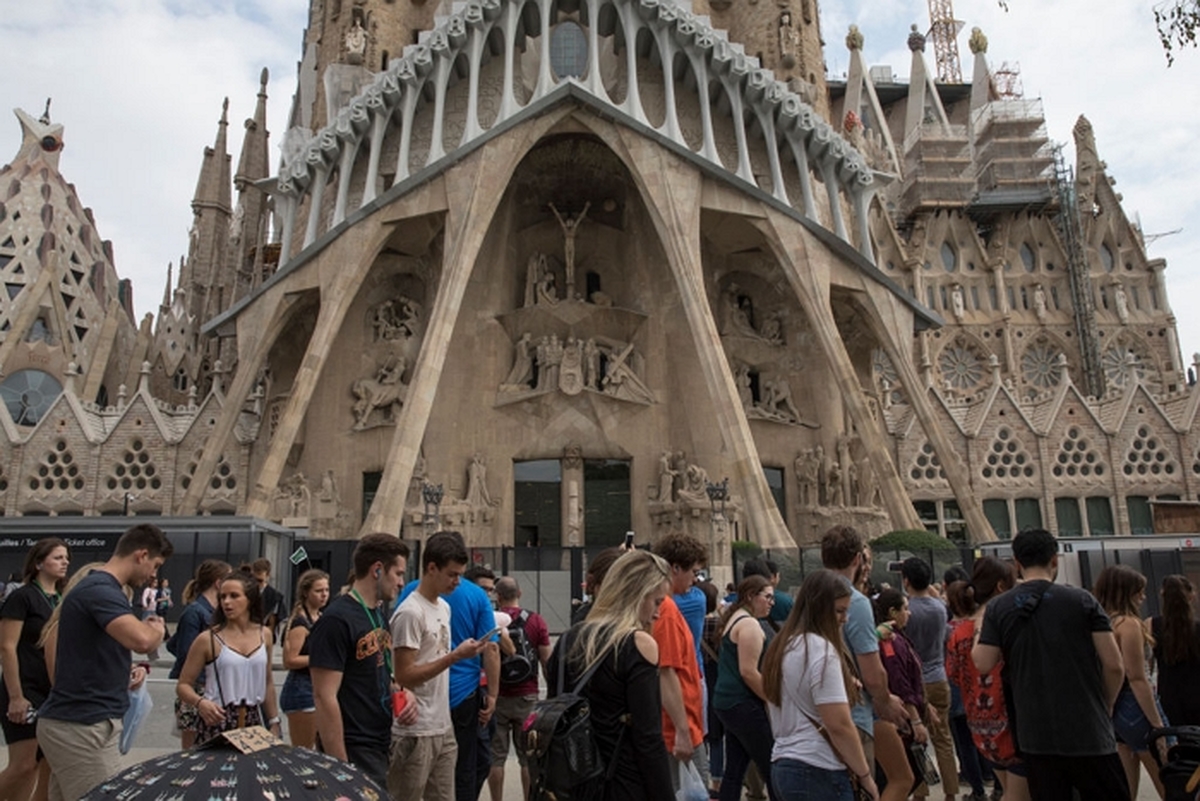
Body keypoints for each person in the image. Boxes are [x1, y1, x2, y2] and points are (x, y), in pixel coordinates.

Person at [973, 528, 1127, 801]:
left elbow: (983, 662)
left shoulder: (999, 608)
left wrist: (978, 629)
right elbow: (1114, 664)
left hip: (1035, 734)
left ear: (1017, 563)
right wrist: (1106, 703)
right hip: (1089, 731)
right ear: (1054, 560)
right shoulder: (1082, 600)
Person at [36, 523, 172, 801]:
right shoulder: (100, 590)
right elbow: (142, 640)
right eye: (155, 565)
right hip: (83, 727)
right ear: (141, 555)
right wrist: (157, 630)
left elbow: (95, 655)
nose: (153, 575)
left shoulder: (103, 590)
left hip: (81, 722)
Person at [546, 549, 674, 800]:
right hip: (620, 780)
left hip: (571, 781)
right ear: (636, 594)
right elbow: (648, 739)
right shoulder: (637, 644)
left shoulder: (568, 639)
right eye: (657, 601)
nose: (659, 612)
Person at [397, 531, 499, 801]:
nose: (458, 582)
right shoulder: (410, 611)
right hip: (417, 726)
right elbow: (403, 672)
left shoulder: (443, 606)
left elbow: (492, 649)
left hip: (444, 723)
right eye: (453, 574)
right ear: (432, 568)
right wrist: (456, 656)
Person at [308, 533, 416, 787]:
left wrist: (401, 692)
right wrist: (341, 769)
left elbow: (375, 671)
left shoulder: (378, 614)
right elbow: (324, 697)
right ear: (377, 570)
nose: (402, 582)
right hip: (352, 748)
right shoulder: (336, 620)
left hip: (378, 743)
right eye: (398, 574)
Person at [762, 569, 879, 801]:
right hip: (818, 766)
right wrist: (864, 774)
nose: (844, 619)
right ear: (820, 608)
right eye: (839, 611)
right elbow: (839, 724)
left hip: (784, 761)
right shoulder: (821, 651)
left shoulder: (782, 646)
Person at [820, 526, 909, 801]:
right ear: (857, 559)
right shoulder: (854, 602)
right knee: (868, 786)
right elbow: (870, 671)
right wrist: (885, 700)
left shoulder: (811, 596)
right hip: (856, 710)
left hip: (823, 709)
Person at [175, 569, 283, 743]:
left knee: (251, 770)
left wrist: (274, 720)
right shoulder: (208, 639)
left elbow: (267, 681)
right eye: (222, 596)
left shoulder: (265, 635)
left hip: (253, 719)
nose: (227, 602)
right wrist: (200, 703)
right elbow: (183, 685)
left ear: (250, 599)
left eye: (234, 596)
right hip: (217, 717)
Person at [0, 537, 69, 801]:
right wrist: (16, 696)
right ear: (39, 563)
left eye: (66, 558)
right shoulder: (22, 597)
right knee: (24, 763)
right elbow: (7, 647)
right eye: (58, 557)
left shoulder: (64, 598)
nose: (65, 562)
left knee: (48, 765)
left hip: (54, 689)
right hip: (25, 686)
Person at [944, 560, 1018, 801]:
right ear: (1000, 587)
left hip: (979, 721)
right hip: (1010, 720)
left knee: (1010, 789)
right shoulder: (1003, 624)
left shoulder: (959, 631)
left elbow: (953, 673)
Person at [1093, 564, 1168, 799]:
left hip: (1111, 709)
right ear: (1126, 593)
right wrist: (1158, 726)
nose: (1143, 597)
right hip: (1136, 705)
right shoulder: (1129, 624)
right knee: (1168, 780)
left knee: (1125, 787)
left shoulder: (1101, 623)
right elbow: (1137, 677)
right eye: (1139, 592)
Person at [712, 575, 779, 801]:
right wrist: (774, 700)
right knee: (772, 765)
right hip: (742, 703)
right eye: (767, 597)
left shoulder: (736, 618)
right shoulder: (749, 624)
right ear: (751, 596)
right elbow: (748, 672)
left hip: (727, 702)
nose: (772, 602)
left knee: (735, 768)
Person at [898, 557, 959, 801]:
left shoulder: (907, 611)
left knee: (916, 739)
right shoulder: (939, 608)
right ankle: (951, 793)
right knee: (943, 739)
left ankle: (921, 793)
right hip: (939, 677)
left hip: (915, 682)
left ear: (906, 581)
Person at [488, 576, 551, 801]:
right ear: (520, 594)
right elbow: (546, 660)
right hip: (528, 694)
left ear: (498, 596)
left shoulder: (492, 620)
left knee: (496, 757)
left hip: (499, 696)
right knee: (527, 757)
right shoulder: (536, 621)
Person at [652, 532, 707, 783]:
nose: (695, 580)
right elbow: (667, 672)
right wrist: (682, 732)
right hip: (678, 730)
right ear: (675, 568)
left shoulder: (662, 606)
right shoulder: (667, 611)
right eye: (693, 572)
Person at [873, 589, 930, 796]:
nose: (910, 613)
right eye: (905, 608)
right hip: (901, 720)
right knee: (904, 776)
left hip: (907, 713)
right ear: (893, 612)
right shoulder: (890, 641)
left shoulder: (897, 638)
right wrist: (915, 720)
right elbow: (900, 682)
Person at [168, 559, 230, 748]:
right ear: (218, 583)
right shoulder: (196, 612)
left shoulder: (211, 612)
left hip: (211, 686)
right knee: (194, 749)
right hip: (198, 688)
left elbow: (173, 644)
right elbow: (185, 651)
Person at [279, 568, 330, 749]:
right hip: (301, 689)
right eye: (318, 591)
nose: (324, 595)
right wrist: (321, 658)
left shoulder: (321, 617)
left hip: (319, 687)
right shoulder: (300, 622)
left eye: (326, 590)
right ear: (306, 593)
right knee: (303, 750)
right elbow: (290, 660)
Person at [1149, 574, 1200, 727]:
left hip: (1168, 694)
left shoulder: (1151, 624)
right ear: (1191, 596)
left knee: (1177, 741)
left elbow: (1148, 665)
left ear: (1162, 595)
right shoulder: (1198, 627)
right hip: (1197, 692)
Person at [250, 558, 285, 637]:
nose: (256, 584)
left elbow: (272, 622)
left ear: (268, 576)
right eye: (254, 580)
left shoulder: (274, 596)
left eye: (260, 580)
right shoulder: (245, 592)